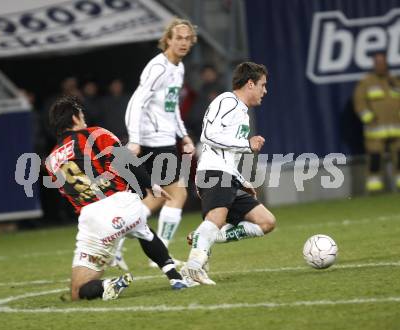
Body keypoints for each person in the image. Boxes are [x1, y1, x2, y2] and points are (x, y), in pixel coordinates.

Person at [45, 96, 196, 301]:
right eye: (81, 114)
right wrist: (151, 185)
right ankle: (175, 277)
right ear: (74, 117)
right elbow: (126, 159)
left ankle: (109, 283)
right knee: (143, 230)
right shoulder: (94, 133)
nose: (84, 118)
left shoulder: (51, 161)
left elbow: (72, 195)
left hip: (92, 220)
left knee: (78, 291)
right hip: (123, 204)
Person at [180, 62, 276, 285]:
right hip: (213, 172)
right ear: (250, 84)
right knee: (216, 219)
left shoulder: (241, 111)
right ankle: (193, 266)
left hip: (228, 175)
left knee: (266, 222)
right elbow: (208, 136)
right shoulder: (227, 101)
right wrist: (247, 144)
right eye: (263, 85)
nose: (265, 90)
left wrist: (241, 180)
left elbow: (228, 153)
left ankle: (202, 238)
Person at [119, 18, 198, 268]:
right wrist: (135, 140)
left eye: (188, 38)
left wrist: (183, 134)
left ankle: (115, 243)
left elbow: (171, 107)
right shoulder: (159, 68)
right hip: (153, 141)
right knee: (177, 193)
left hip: (165, 139)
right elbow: (136, 102)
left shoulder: (179, 68)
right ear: (168, 40)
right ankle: (159, 253)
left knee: (157, 198)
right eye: (179, 38)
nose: (183, 42)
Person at [353, 52, 400, 193]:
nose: (380, 65)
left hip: (397, 128)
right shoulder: (366, 82)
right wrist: (369, 119)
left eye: (383, 62)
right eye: (377, 63)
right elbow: (359, 104)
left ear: (387, 64)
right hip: (375, 130)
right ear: (374, 65)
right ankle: (375, 188)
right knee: (374, 157)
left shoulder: (395, 81)